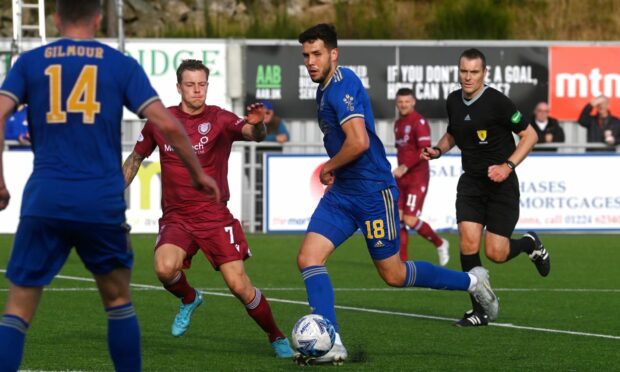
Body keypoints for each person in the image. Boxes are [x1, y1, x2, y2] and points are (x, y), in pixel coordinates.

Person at [0, 1, 219, 371]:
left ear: (56, 18)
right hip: (100, 201)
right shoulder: (119, 64)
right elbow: (166, 124)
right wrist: (198, 173)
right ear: (99, 19)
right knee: (118, 302)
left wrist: (0, 180)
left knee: (18, 307)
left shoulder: (30, 62)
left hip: (46, 199)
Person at [296, 24, 498, 365]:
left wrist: (329, 166)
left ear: (334, 54)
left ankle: (472, 282)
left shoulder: (341, 88)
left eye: (317, 54)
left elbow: (359, 142)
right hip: (344, 194)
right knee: (308, 259)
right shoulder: (326, 87)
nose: (311, 62)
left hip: (373, 192)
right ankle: (332, 343)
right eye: (306, 56)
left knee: (394, 274)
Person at [122, 59, 294, 358]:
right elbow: (135, 159)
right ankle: (190, 298)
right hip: (177, 217)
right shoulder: (159, 122)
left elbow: (255, 135)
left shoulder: (221, 119)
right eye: (190, 84)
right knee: (164, 269)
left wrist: (258, 123)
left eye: (202, 84)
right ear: (179, 87)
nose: (197, 90)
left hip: (214, 215)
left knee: (239, 286)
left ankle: (276, 335)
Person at [421, 48, 550, 328]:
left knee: (496, 253)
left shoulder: (498, 102)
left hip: (501, 185)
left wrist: (508, 166)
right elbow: (454, 132)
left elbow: (530, 135)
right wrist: (438, 149)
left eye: (474, 72)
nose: (468, 77)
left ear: (484, 73)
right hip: (471, 183)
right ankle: (479, 310)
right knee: (467, 243)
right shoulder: (454, 100)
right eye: (464, 72)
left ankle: (530, 243)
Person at [393, 88, 449, 264]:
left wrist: (404, 166)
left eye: (407, 101)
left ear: (413, 102)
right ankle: (402, 262)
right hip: (401, 178)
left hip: (417, 176)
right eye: (400, 102)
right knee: (398, 219)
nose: (403, 105)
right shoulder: (397, 123)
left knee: (410, 219)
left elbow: (424, 150)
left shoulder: (419, 122)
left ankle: (440, 243)